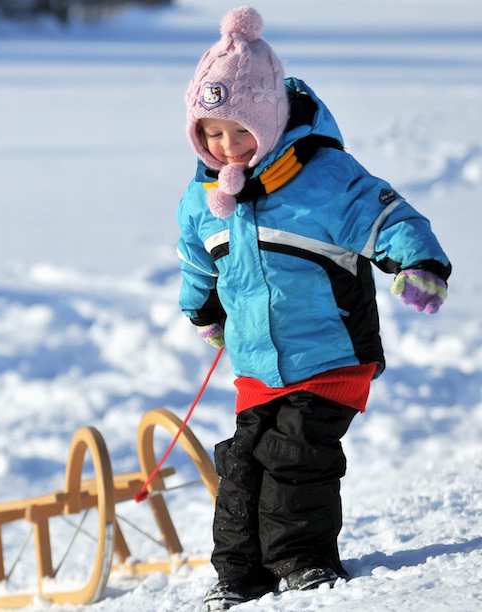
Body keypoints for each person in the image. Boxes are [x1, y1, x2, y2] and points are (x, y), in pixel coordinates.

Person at [174, 6, 452, 611]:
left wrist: (418, 264)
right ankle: (240, 576)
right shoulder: (203, 198)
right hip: (256, 366)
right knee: (242, 463)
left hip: (329, 354)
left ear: (270, 118)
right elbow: (198, 261)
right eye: (211, 134)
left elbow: (387, 216)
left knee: (294, 454)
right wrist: (204, 313)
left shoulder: (324, 177)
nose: (227, 147)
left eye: (240, 132)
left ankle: (303, 562)